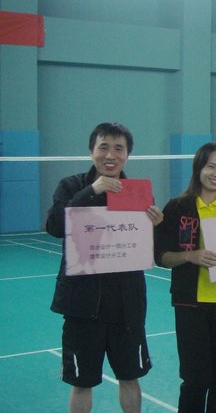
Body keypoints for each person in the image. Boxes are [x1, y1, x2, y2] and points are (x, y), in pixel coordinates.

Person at [46, 122, 163, 413]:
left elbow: (146, 247)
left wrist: (156, 225)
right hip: (82, 305)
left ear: (127, 155)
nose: (111, 155)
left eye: (118, 148)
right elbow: (55, 226)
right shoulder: (71, 186)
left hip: (126, 306)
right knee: (81, 382)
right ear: (91, 151)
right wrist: (92, 190)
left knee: (130, 377)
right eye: (104, 147)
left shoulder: (138, 193)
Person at [154, 142, 216, 413]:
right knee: (195, 379)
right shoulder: (177, 207)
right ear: (198, 167)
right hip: (190, 306)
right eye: (211, 166)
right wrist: (190, 256)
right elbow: (161, 257)